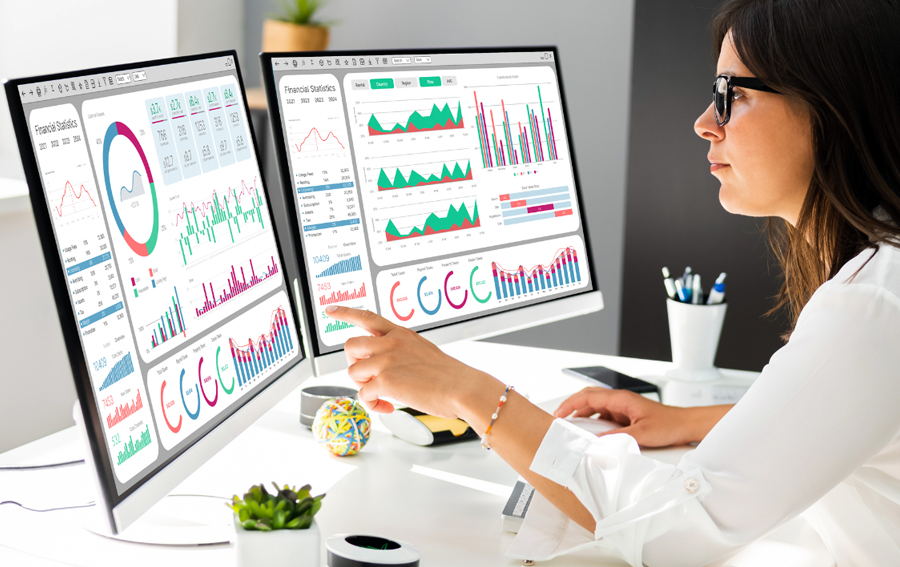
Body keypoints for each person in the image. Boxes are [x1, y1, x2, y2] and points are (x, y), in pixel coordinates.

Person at [325, 0, 900, 564]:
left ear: (831, 108)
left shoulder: (871, 306)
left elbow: (674, 536)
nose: (705, 123)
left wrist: (468, 393)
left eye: (734, 94)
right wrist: (694, 422)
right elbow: (844, 418)